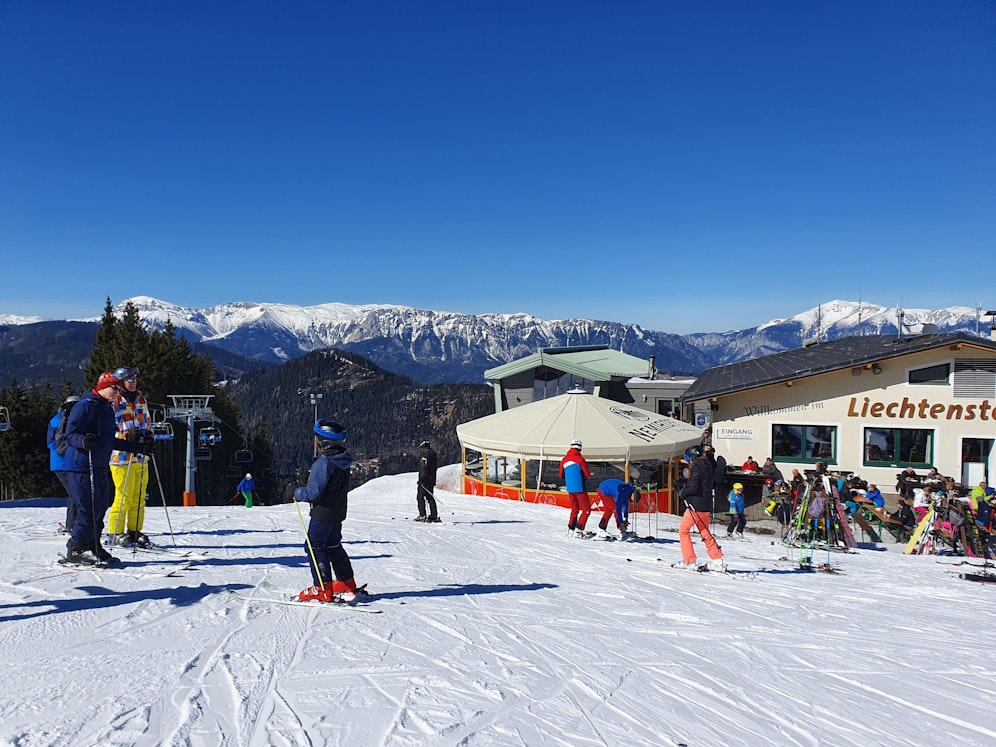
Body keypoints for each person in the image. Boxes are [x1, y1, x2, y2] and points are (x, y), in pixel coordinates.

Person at [61, 372, 150, 565]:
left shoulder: (107, 409)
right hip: (81, 465)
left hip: (99, 465)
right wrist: (83, 441)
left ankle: (93, 545)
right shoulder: (84, 406)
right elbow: (69, 435)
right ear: (102, 387)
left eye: (119, 389)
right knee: (87, 509)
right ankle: (77, 548)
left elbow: (109, 440)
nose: (117, 392)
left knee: (99, 508)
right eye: (114, 388)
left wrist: (134, 447)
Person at [295, 420, 365, 603]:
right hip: (337, 511)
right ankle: (346, 582)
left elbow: (312, 493)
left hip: (323, 512)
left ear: (324, 442)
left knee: (314, 546)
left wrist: (296, 492)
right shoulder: (342, 460)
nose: (315, 441)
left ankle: (321, 588)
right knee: (333, 545)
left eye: (317, 438)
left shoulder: (324, 463)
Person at [107, 366, 154, 547]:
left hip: (140, 455)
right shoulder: (114, 400)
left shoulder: (140, 399)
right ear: (121, 382)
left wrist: (149, 437)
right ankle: (115, 532)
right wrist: (127, 436)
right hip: (122, 456)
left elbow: (146, 420)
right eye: (129, 380)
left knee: (139, 496)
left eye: (135, 379)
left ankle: (134, 530)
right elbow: (111, 425)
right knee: (124, 496)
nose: (133, 383)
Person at [674, 446, 725, 571]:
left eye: (688, 458)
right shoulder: (708, 466)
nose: (688, 461)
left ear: (693, 457)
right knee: (704, 531)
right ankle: (717, 560)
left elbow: (694, 488)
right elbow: (702, 484)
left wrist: (682, 492)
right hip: (706, 504)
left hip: (695, 506)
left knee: (683, 531)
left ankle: (689, 560)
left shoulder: (697, 468)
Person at [47, 395, 79, 532]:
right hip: (63, 463)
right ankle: (72, 525)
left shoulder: (56, 419)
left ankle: (74, 524)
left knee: (76, 492)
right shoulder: (59, 421)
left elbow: (50, 443)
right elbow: (51, 443)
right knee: (74, 492)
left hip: (63, 462)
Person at [560, 439, 591, 537]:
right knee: (586, 509)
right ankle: (579, 529)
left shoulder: (564, 459)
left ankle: (571, 528)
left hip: (570, 488)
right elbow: (587, 475)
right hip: (580, 488)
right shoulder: (580, 459)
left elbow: (561, 475)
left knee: (574, 509)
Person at [415, 440, 439, 522]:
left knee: (420, 497)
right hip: (432, 480)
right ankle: (434, 515)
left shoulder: (425, 456)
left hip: (425, 481)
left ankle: (422, 515)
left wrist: (421, 480)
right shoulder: (433, 455)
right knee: (430, 497)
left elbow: (423, 469)